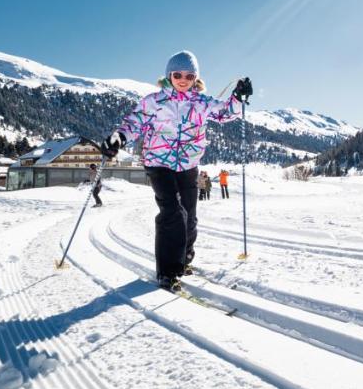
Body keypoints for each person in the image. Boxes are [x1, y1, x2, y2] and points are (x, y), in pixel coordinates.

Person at [100, 51, 252, 290]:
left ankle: (183, 260)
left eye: (189, 75)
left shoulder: (201, 103)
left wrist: (237, 97)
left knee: (189, 217)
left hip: (188, 165)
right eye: (178, 74)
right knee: (173, 213)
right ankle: (168, 271)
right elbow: (133, 123)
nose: (183, 79)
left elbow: (225, 113)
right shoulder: (154, 101)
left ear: (195, 78)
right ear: (169, 75)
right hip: (158, 163)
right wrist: (119, 137)